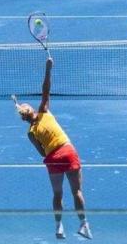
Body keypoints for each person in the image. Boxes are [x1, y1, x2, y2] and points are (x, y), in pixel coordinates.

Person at [16, 57, 91, 241]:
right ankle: (84, 225)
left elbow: (42, 152)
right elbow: (46, 89)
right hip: (67, 151)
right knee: (77, 192)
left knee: (57, 194)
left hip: (53, 158)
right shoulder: (43, 110)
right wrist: (48, 68)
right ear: (31, 110)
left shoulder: (31, 133)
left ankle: (59, 228)